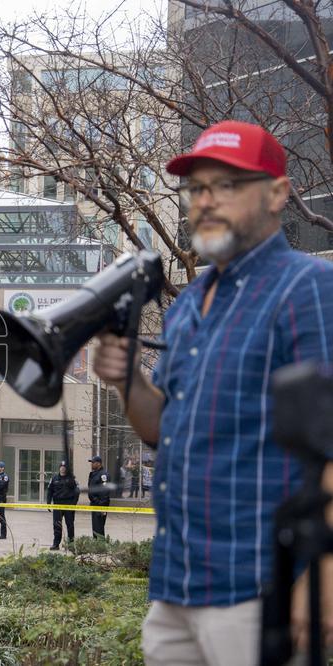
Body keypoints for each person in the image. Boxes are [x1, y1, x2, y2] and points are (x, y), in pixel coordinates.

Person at [92, 120, 333, 664]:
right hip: (176, 585)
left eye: (226, 185)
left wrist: (325, 571)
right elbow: (163, 429)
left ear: (277, 194)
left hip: (259, 587)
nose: (205, 200)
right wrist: (128, 379)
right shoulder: (189, 304)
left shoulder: (308, 288)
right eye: (196, 188)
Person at [47, 461, 78, 550]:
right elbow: (49, 491)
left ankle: (71, 545)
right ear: (59, 468)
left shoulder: (71, 479)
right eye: (61, 466)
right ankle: (56, 544)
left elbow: (77, 492)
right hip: (57, 505)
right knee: (57, 525)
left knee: (70, 525)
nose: (63, 468)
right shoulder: (54, 478)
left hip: (68, 505)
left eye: (64, 467)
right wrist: (48, 503)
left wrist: (73, 504)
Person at [87, 456, 110, 539]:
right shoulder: (94, 474)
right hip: (94, 504)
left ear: (98, 464)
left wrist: (99, 503)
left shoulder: (103, 475)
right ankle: (96, 544)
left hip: (100, 505)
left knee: (99, 527)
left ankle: (101, 544)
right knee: (95, 527)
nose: (91, 464)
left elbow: (105, 491)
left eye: (93, 463)